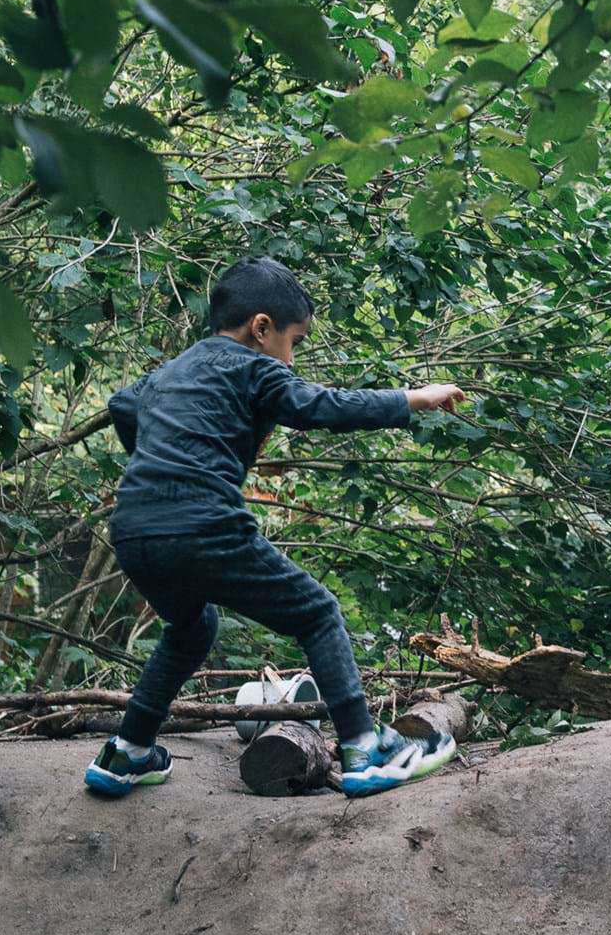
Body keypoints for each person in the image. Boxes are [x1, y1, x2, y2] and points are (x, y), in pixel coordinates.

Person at [83, 256, 468, 799]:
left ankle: (128, 751)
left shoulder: (168, 374)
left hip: (134, 531)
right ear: (261, 329)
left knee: (192, 630)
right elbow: (317, 405)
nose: (294, 355)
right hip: (205, 522)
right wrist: (411, 399)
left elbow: (122, 406)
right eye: (296, 340)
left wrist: (162, 462)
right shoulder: (254, 367)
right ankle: (365, 748)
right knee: (316, 612)